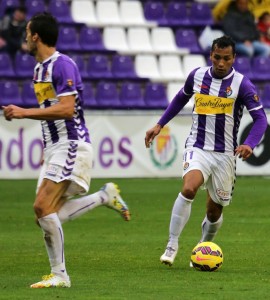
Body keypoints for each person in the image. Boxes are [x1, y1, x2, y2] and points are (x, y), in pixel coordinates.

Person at [2, 12, 131, 288]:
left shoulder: (63, 65)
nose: (25, 36)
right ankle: (104, 197)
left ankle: (60, 275)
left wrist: (23, 113)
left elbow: (67, 109)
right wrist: (46, 148)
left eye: (27, 32)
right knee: (45, 215)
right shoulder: (38, 70)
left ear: (36, 36)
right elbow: (51, 114)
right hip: (55, 148)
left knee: (41, 207)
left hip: (72, 144)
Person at [145, 35, 268, 267]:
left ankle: (202, 249)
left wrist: (249, 143)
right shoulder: (197, 76)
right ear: (211, 55)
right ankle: (171, 244)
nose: (221, 63)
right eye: (217, 57)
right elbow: (180, 99)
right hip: (198, 146)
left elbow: (261, 120)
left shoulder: (242, 84)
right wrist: (159, 124)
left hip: (225, 155)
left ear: (234, 58)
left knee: (213, 213)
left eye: (226, 59)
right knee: (189, 188)